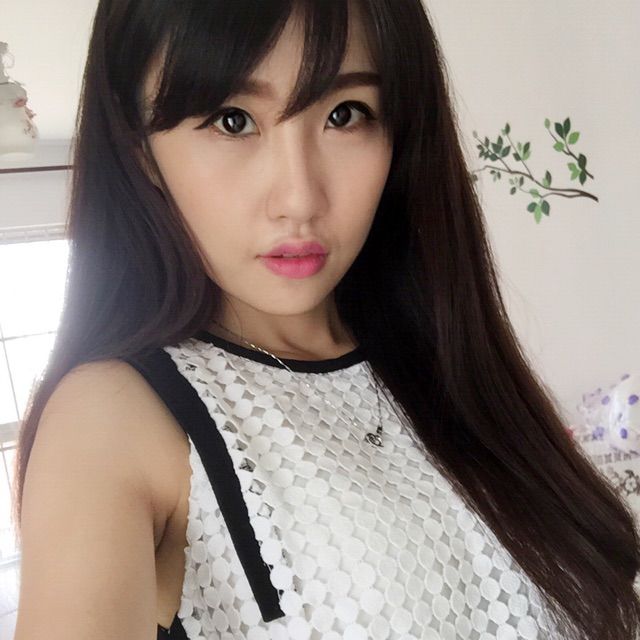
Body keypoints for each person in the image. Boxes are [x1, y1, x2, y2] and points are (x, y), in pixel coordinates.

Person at [10, 1, 640, 639]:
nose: (300, 198)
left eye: (345, 115)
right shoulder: (113, 415)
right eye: (232, 120)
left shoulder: (447, 365)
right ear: (141, 150)